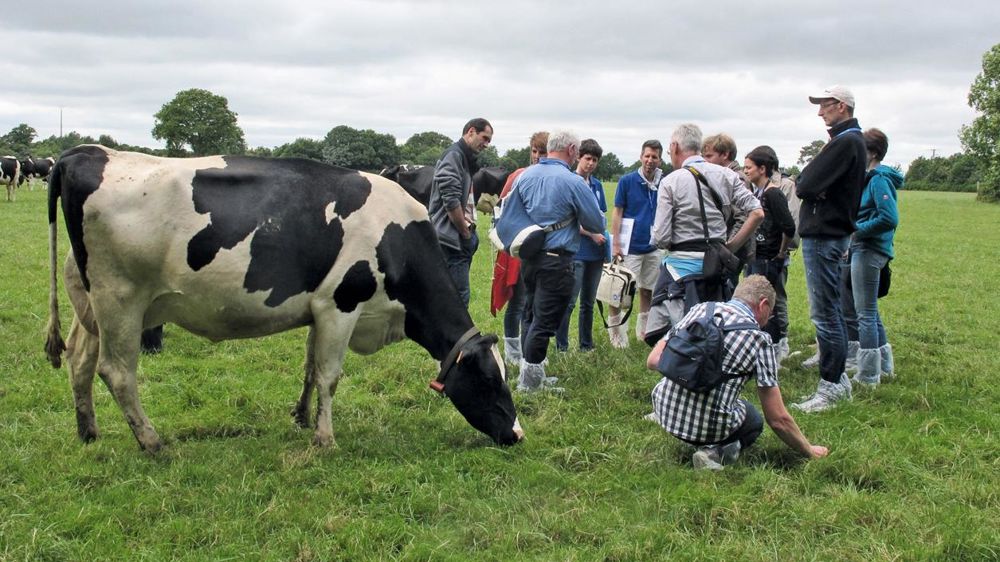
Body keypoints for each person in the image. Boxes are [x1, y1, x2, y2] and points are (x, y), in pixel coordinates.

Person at [647, 275, 829, 470]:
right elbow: (777, 419)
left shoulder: (701, 309)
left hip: (664, 410)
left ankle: (680, 417)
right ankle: (713, 452)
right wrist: (808, 450)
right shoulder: (760, 339)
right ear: (763, 305)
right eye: (770, 314)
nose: (768, 320)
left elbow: (653, 360)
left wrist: (693, 373)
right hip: (707, 429)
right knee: (753, 419)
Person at [498, 130, 605, 392]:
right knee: (545, 320)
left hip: (529, 258)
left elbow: (508, 218)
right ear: (570, 149)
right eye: (578, 152)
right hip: (557, 260)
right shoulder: (573, 182)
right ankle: (530, 384)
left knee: (530, 313)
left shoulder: (525, 176)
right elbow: (595, 222)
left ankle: (532, 372)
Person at [645, 123, 763, 342]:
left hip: (680, 271)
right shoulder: (727, 175)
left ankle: (679, 370)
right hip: (715, 265)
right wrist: (729, 248)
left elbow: (661, 237)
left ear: (674, 146)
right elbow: (757, 213)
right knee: (714, 329)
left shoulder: (671, 181)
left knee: (681, 334)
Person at [792, 86, 868, 413]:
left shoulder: (846, 141)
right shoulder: (846, 140)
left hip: (825, 235)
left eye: (824, 106)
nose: (820, 112)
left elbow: (805, 184)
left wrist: (814, 189)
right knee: (830, 310)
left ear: (841, 106)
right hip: (830, 234)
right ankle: (838, 381)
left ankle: (832, 385)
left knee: (825, 313)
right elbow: (809, 184)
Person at [491, 131, 548, 366]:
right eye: (534, 151)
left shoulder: (552, 177)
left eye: (542, 152)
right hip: (518, 248)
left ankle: (530, 350)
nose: (537, 156)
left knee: (537, 302)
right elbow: (500, 210)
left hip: (544, 249)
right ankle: (512, 351)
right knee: (518, 301)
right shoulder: (517, 175)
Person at [851, 128, 900, 387]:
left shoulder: (879, 180)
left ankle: (868, 375)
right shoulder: (872, 178)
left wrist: (857, 232)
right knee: (871, 311)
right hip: (869, 249)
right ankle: (884, 368)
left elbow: (889, 217)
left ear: (871, 152)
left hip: (869, 250)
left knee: (865, 314)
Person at [428, 117, 493, 307]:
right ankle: (455, 337)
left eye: (489, 141)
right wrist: (464, 232)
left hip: (458, 236)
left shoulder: (463, 157)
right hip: (452, 238)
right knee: (458, 297)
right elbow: (450, 200)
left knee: (451, 294)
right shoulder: (454, 156)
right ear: (471, 131)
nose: (486, 144)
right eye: (485, 138)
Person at [608, 140, 666, 348]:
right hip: (630, 246)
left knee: (647, 290)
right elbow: (617, 212)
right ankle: (617, 336)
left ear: (660, 160)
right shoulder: (627, 181)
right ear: (641, 157)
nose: (650, 160)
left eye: (655, 157)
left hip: (653, 247)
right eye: (647, 156)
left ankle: (644, 331)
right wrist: (616, 244)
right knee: (621, 292)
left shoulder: (663, 182)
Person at [556, 139, 609, 352]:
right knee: (569, 302)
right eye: (588, 158)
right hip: (576, 251)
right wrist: (592, 233)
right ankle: (562, 346)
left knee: (589, 303)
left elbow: (601, 215)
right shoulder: (570, 181)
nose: (591, 164)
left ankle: (586, 344)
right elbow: (568, 219)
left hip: (596, 253)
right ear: (579, 157)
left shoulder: (597, 186)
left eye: (595, 160)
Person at [743, 146, 796, 351]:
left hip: (767, 258)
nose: (746, 171)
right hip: (757, 256)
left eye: (749, 167)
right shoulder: (757, 192)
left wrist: (780, 252)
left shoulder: (773, 194)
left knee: (765, 306)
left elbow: (789, 226)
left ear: (762, 169)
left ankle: (772, 349)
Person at [703, 133, 755, 289]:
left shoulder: (734, 178)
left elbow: (742, 218)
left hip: (730, 253)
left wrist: (727, 248)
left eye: (709, 156)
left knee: (725, 293)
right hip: (725, 250)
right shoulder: (723, 177)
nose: (704, 161)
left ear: (725, 155)